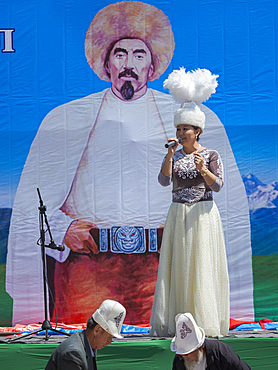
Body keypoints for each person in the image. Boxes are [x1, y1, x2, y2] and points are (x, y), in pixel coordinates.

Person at [6, 1, 254, 327]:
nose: (129, 64)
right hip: (88, 268)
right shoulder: (66, 119)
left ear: (153, 67)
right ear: (105, 63)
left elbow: (227, 201)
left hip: (165, 263)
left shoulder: (188, 118)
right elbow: (31, 200)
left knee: (166, 346)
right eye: (120, 54)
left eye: (140, 55)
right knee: (87, 348)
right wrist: (63, 227)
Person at [150, 69, 229, 337]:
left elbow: (218, 185)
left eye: (186, 128)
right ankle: (178, 321)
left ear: (198, 131)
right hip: (178, 214)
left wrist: (203, 170)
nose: (181, 132)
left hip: (202, 214)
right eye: (179, 128)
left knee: (201, 264)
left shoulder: (211, 155)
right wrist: (170, 155)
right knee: (180, 267)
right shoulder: (173, 153)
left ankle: (203, 321)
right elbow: (163, 182)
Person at [45, 299, 126, 370]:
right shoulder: (73, 353)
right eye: (109, 336)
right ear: (97, 330)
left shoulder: (88, 344)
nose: (109, 342)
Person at [171, 313, 251, 370]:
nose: (185, 357)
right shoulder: (179, 360)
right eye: (183, 354)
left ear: (200, 346)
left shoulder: (221, 352)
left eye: (189, 353)